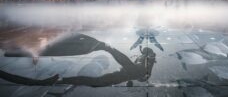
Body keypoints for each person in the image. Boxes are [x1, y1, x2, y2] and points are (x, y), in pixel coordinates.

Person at [0, 33, 156, 87]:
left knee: (82, 79)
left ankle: (52, 81)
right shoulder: (138, 70)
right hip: (110, 77)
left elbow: (122, 59)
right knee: (79, 79)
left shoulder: (139, 69)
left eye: (141, 56)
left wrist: (108, 48)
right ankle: (54, 80)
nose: (138, 56)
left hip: (106, 78)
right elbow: (124, 60)